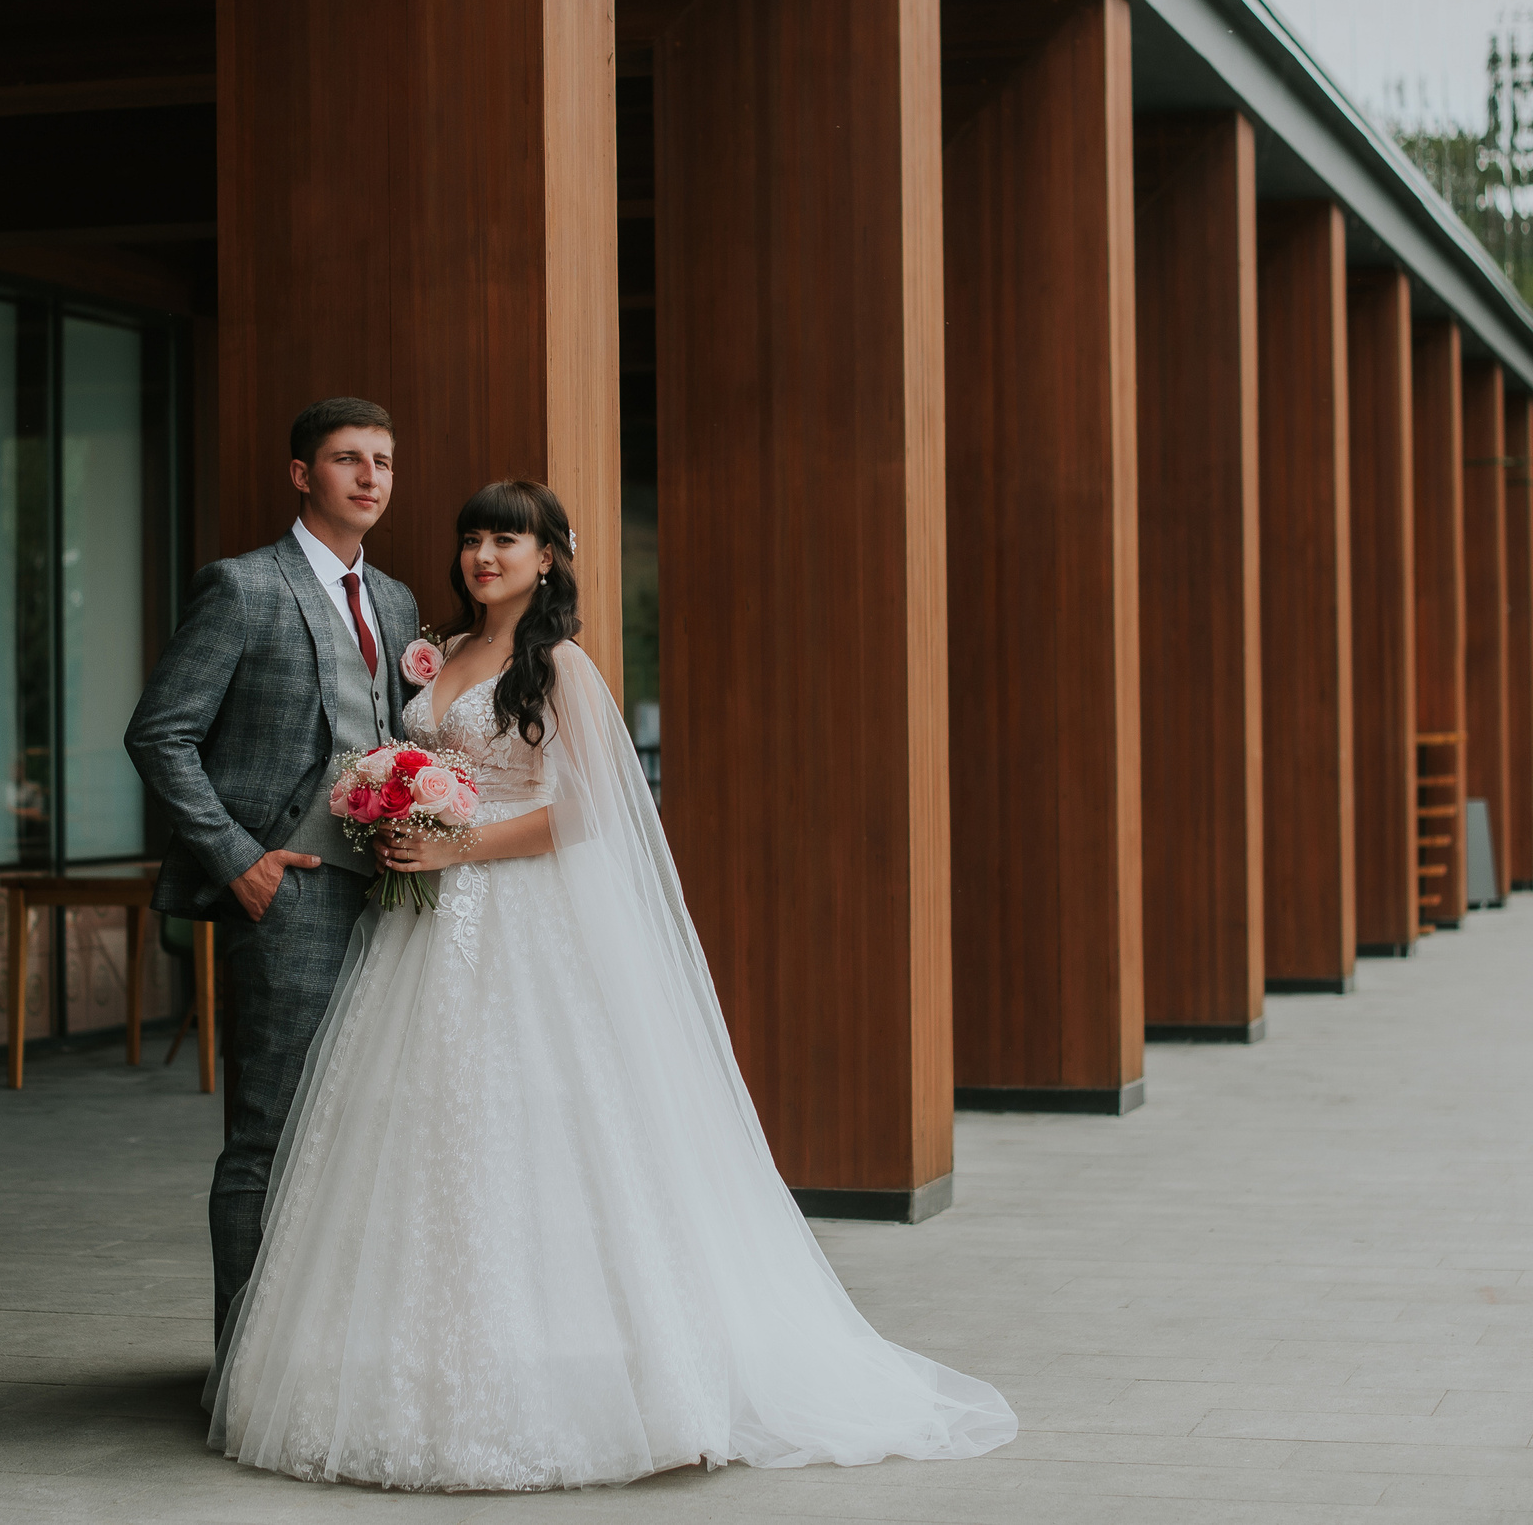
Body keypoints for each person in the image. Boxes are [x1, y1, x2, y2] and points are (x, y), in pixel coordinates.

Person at [206, 480, 1016, 1490]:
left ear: (546, 556)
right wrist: (391, 812)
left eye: (507, 539)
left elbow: (587, 813)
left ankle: (582, 1369)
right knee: (422, 1127)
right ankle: (414, 1363)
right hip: (419, 929)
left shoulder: (559, 665)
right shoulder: (436, 651)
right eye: (472, 538)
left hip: (518, 917)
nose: (483, 555)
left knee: (535, 1128)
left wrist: (456, 846)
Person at [125, 397, 422, 1351]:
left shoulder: (398, 602)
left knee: (361, 1133)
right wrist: (240, 861)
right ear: (302, 474)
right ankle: (243, 1370)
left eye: (383, 461)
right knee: (269, 1134)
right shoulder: (243, 587)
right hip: (288, 896)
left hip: (390, 903)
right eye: (347, 459)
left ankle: (324, 1357)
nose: (370, 477)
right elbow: (160, 734)